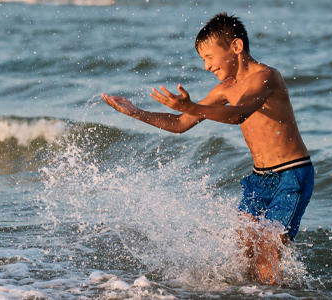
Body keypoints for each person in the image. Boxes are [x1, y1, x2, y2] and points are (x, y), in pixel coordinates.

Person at [100, 13, 314, 284]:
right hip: (260, 179)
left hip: (291, 176)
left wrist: (191, 106)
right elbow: (180, 124)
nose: (206, 66)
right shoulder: (225, 88)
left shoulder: (268, 77)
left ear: (236, 47)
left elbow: (239, 114)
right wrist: (135, 112)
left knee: (267, 255)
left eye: (209, 57)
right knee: (245, 254)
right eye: (203, 59)